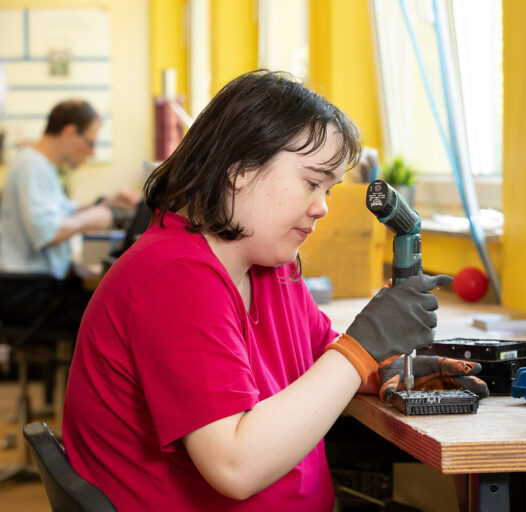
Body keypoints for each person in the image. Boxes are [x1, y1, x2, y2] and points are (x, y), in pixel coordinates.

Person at [63, 70, 480, 511]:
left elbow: (320, 357)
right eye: (311, 182)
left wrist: (383, 367)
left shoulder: (268, 263)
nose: (321, 207)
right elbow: (234, 466)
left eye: (329, 189)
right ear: (241, 168)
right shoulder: (175, 276)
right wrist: (363, 348)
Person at [0, 99, 139, 327]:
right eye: (90, 143)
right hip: (27, 291)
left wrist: (106, 203)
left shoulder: (39, 165)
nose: (92, 153)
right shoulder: (32, 166)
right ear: (70, 132)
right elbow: (46, 232)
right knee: (111, 318)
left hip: (33, 287)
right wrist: (93, 218)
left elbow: (62, 212)